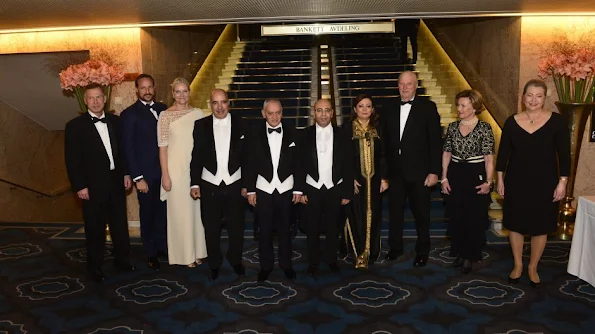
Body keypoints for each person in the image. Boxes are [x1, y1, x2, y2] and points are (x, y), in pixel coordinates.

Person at [496, 79, 570, 288]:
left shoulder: (556, 122)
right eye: (530, 95)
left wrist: (562, 182)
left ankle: (533, 266)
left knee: (541, 226)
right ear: (523, 97)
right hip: (516, 181)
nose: (533, 100)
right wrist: (500, 179)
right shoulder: (512, 121)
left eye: (539, 96)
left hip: (546, 182)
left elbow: (564, 155)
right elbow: (503, 154)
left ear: (544, 98)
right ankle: (518, 265)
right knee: (515, 224)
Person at [64, 83, 135, 282]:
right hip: (92, 187)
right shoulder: (74, 126)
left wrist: (127, 173)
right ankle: (94, 266)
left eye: (99, 97)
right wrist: (80, 186)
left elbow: (123, 153)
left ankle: (122, 260)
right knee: (95, 228)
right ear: (85, 101)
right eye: (91, 98)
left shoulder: (116, 121)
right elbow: (72, 160)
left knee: (119, 225)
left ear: (105, 99)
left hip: (116, 182)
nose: (95, 101)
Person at [381, 70, 442, 267]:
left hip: (420, 173)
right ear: (397, 85)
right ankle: (395, 247)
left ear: (416, 86)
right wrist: (384, 174)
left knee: (422, 214)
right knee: (395, 213)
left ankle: (423, 250)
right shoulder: (388, 107)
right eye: (401, 84)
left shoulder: (428, 107)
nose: (405, 87)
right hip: (395, 172)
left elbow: (435, 142)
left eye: (409, 84)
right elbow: (383, 143)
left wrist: (435, 171)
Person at [190, 89, 248, 281]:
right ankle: (214, 263)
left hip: (235, 183)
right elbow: (196, 156)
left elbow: (248, 159)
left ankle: (235, 259)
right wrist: (194, 183)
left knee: (236, 227)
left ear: (229, 103)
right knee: (211, 228)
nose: (220, 106)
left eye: (223, 102)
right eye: (216, 103)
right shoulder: (200, 125)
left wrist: (248, 185)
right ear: (210, 104)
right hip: (209, 184)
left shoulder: (242, 123)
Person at [245, 99, 302, 281]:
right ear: (264, 114)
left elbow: (300, 165)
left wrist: (299, 189)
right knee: (265, 231)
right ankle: (266, 266)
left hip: (286, 188)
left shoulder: (293, 132)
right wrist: (251, 190)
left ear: (282, 113)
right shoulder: (254, 134)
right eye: (271, 113)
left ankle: (286, 265)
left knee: (286, 231)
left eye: (278, 113)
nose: (275, 117)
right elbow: (249, 164)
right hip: (263, 188)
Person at [441, 89, 495, 274]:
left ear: (474, 106)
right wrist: (444, 178)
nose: (459, 108)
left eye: (463, 105)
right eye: (458, 105)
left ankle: (470, 255)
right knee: (457, 216)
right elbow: (446, 153)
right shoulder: (452, 127)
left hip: (475, 174)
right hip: (456, 174)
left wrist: (489, 182)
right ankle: (459, 252)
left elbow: (488, 158)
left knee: (474, 218)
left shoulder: (485, 128)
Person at [157, 77, 207, 267]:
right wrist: (165, 175)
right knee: (180, 215)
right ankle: (184, 256)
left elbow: (203, 145)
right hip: (175, 173)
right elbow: (162, 148)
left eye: (185, 91)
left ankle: (198, 252)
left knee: (196, 213)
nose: (181, 95)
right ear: (172, 94)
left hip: (195, 172)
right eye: (177, 91)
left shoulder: (199, 113)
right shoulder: (165, 116)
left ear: (189, 92)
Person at [300, 99, 353, 277]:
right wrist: (300, 190)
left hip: (334, 187)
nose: (323, 114)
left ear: (332, 113)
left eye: (327, 110)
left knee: (333, 227)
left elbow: (348, 165)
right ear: (314, 113)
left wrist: (346, 191)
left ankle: (331, 259)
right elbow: (298, 165)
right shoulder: (304, 135)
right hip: (312, 187)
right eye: (319, 110)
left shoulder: (343, 135)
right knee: (311, 226)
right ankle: (313, 260)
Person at [120, 74, 168, 270]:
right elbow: (128, 149)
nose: (147, 91)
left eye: (150, 87)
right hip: (145, 177)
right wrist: (138, 177)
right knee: (147, 214)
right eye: (143, 88)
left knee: (163, 213)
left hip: (164, 173)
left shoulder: (163, 109)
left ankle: (162, 246)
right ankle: (150, 253)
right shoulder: (129, 114)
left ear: (154, 88)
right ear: (137, 90)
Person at [343, 94, 389, 269]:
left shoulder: (378, 128)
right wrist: (349, 179)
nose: (364, 110)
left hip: (375, 180)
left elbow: (384, 155)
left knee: (374, 215)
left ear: (372, 109)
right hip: (355, 181)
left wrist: (385, 178)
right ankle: (358, 252)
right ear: (355, 109)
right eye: (361, 106)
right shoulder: (347, 129)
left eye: (368, 106)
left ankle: (372, 250)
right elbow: (343, 157)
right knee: (356, 215)